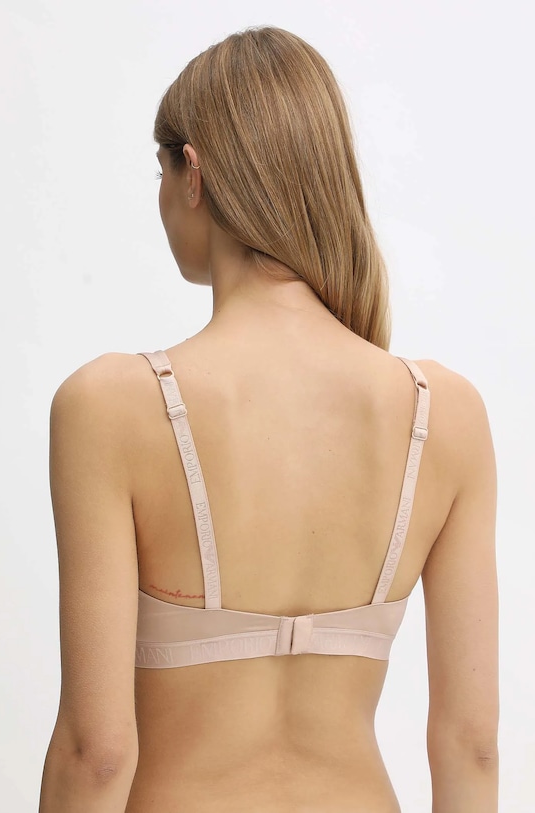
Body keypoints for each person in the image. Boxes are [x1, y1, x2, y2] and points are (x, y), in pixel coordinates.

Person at [38, 26, 499, 813]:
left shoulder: (111, 406)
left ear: (193, 173)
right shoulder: (444, 412)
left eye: (159, 170)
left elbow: (97, 753)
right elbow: (472, 743)